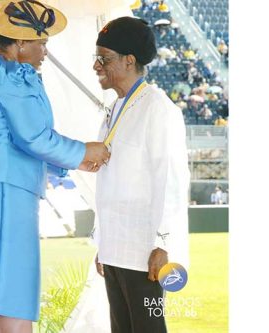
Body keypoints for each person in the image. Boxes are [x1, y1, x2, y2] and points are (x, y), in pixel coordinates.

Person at [0, 1, 110, 333]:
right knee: (14, 295)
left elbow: (5, 138)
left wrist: (68, 162)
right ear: (20, 42)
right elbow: (33, 137)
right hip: (1, 194)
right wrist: (85, 150)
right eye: (41, 42)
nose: (45, 51)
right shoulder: (12, 76)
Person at [92, 17, 190, 333]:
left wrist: (164, 244)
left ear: (129, 60)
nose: (96, 66)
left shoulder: (159, 109)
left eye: (104, 59)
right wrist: (103, 243)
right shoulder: (114, 108)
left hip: (145, 251)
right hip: (115, 248)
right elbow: (110, 181)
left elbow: (172, 179)